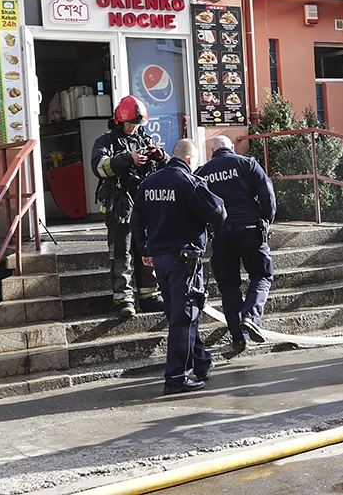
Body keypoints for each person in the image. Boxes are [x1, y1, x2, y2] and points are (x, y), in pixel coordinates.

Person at [131, 138, 227, 394]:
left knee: (179, 314)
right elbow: (218, 214)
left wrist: (144, 250)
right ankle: (176, 378)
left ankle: (202, 363)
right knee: (184, 318)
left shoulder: (148, 183)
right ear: (189, 159)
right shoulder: (190, 183)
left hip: (159, 258)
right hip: (184, 260)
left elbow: (136, 220)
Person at [196, 135, 276, 354]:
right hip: (251, 229)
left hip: (222, 234)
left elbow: (196, 205)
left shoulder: (202, 173)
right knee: (261, 275)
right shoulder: (247, 163)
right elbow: (267, 195)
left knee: (229, 287)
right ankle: (251, 318)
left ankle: (238, 339)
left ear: (212, 151)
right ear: (231, 148)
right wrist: (266, 220)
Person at [91, 95, 169, 319]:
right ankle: (124, 301)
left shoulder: (144, 138)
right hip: (119, 208)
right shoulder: (105, 142)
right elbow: (99, 168)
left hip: (145, 208)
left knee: (147, 253)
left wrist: (160, 157)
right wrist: (128, 159)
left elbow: (165, 168)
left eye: (137, 124)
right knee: (121, 256)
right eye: (129, 123)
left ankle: (150, 296)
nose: (133, 128)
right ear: (118, 120)